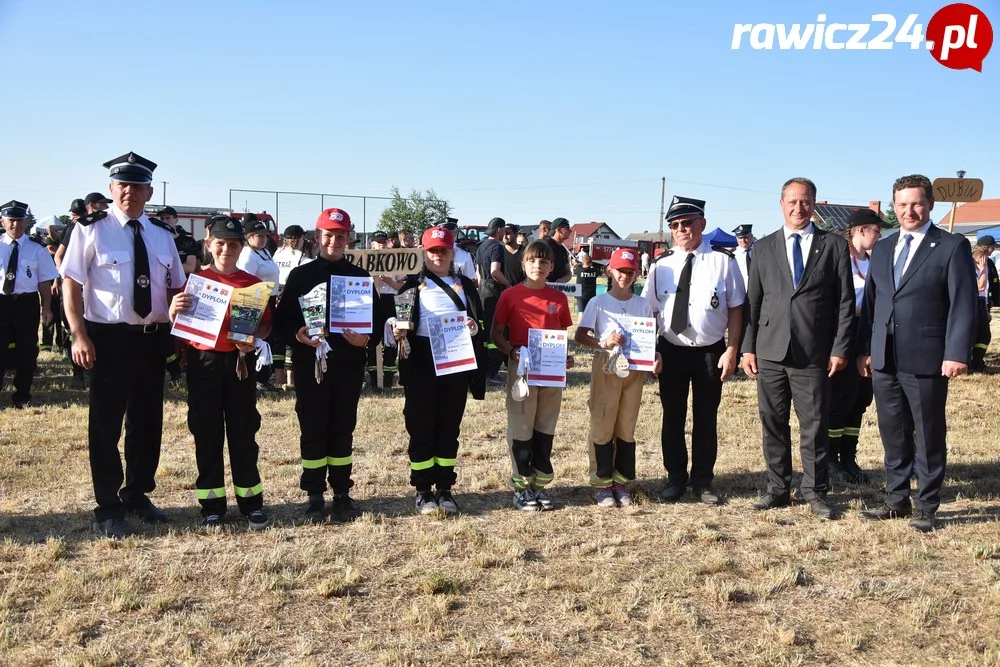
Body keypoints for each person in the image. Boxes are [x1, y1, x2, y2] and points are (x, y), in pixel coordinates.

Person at [61, 151, 184, 538]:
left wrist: (183, 327)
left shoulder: (163, 236)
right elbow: (72, 284)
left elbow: (178, 287)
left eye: (138, 185)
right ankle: (108, 505)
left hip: (153, 340)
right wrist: (79, 335)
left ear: (150, 192)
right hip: (109, 339)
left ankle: (137, 494)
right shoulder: (91, 229)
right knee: (106, 425)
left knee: (148, 422)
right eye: (122, 184)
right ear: (112, 189)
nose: (130, 191)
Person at [858, 174, 978, 532]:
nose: (909, 211)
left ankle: (926, 505)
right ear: (893, 207)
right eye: (902, 204)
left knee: (927, 432)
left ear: (930, 205)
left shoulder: (951, 246)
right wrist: (866, 349)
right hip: (884, 357)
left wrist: (956, 352)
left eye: (916, 204)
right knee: (892, 430)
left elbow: (963, 305)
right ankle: (895, 498)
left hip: (927, 356)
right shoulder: (882, 247)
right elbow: (873, 302)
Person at [739, 177, 854, 520]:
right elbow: (752, 303)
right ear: (781, 204)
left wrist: (840, 347)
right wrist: (748, 348)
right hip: (770, 351)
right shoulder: (763, 247)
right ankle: (777, 489)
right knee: (773, 422)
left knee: (814, 425)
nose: (798, 208)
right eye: (792, 201)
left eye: (805, 202)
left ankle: (815, 491)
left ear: (814, 204)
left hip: (814, 352)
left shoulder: (833, 245)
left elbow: (845, 302)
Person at [275, 208, 385, 523]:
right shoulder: (301, 275)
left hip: (349, 365)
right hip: (311, 364)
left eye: (340, 236)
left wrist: (363, 341)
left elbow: (375, 326)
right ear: (317, 237)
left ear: (348, 238)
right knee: (312, 428)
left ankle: (341, 493)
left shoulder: (360, 277)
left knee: (342, 428)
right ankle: (313, 496)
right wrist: (297, 334)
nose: (334, 241)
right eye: (328, 235)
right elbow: (283, 322)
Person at [168, 216, 271, 530]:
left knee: (243, 433)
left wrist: (255, 336)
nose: (227, 250)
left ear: (241, 248)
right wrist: (173, 311)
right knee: (207, 433)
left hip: (240, 365)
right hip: (204, 363)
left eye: (234, 245)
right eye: (221, 244)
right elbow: (177, 330)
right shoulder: (194, 281)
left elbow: (266, 325)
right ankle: (211, 505)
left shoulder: (252, 284)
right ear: (209, 246)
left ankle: (251, 503)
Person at [643, 196, 745, 505]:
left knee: (705, 418)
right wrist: (652, 351)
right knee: (672, 417)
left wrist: (733, 350)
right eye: (675, 225)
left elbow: (737, 309)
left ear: (701, 223)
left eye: (687, 223)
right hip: (671, 351)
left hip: (710, 352)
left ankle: (703, 481)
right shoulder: (660, 265)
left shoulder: (723, 262)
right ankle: (675, 478)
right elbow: (648, 311)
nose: (681, 229)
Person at [393, 227, 487, 514]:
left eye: (443, 250)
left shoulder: (467, 286)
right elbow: (401, 324)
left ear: (452, 252)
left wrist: (473, 327)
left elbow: (479, 324)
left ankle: (445, 487)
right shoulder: (411, 285)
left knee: (449, 427)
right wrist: (397, 331)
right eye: (432, 250)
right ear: (424, 252)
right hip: (422, 361)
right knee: (421, 426)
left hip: (456, 363)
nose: (438, 255)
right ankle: (422, 490)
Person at [492, 241, 574, 511]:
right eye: (532, 261)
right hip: (522, 369)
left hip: (551, 371)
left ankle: (539, 483)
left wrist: (566, 358)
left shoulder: (559, 299)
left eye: (544, 262)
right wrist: (512, 352)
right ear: (523, 264)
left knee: (546, 423)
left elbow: (561, 336)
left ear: (552, 267)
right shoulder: (510, 296)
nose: (538, 266)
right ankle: (521, 485)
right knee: (521, 424)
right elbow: (496, 334)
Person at [575, 248, 660, 507]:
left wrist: (654, 356)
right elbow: (580, 336)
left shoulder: (643, 304)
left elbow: (648, 338)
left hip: (634, 368)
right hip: (606, 366)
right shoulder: (598, 302)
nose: (625, 276)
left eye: (630, 272)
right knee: (602, 422)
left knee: (626, 424)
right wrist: (603, 342)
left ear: (636, 274)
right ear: (610, 271)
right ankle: (601, 483)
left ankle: (621, 481)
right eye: (620, 271)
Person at [827, 209, 882, 484]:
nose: (879, 235)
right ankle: (830, 457)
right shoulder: (840, 259)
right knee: (839, 399)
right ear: (861, 230)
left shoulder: (873, 261)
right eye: (876, 229)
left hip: (868, 334)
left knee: (860, 400)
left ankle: (849, 456)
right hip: (843, 334)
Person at [0, 200, 58, 408]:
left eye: (20, 220)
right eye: (11, 220)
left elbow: (44, 282)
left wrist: (47, 308)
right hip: (1, 303)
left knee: (26, 350)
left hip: (26, 303)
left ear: (26, 222)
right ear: (3, 221)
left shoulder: (37, 249)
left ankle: (22, 394)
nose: (16, 225)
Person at [237, 218, 281, 392]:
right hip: (256, 300)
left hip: (270, 298)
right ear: (248, 237)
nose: (262, 239)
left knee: (266, 338)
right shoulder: (248, 255)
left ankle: (263, 376)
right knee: (258, 337)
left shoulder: (264, 252)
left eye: (264, 235)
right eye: (256, 235)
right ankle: (255, 377)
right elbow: (247, 283)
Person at [273, 224, 314, 389]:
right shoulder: (302, 258)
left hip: (275, 294)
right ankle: (291, 380)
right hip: (293, 295)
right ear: (300, 239)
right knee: (293, 337)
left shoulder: (276, 254)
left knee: (277, 338)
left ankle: (278, 378)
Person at [477, 217, 512, 386]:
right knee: (498, 330)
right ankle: (491, 373)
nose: (505, 232)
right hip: (494, 291)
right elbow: (495, 271)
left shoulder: (481, 246)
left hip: (482, 292)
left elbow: (478, 273)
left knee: (485, 332)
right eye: (504, 229)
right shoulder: (497, 247)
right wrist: (507, 284)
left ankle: (485, 370)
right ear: (499, 230)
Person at [364, 230, 401, 391]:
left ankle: (387, 378)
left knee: (391, 338)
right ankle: (373, 379)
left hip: (389, 300)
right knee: (372, 339)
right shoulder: (365, 261)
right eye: (379, 242)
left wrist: (387, 280)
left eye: (384, 241)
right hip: (371, 300)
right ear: (372, 244)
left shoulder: (395, 261)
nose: (382, 244)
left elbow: (402, 285)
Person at [971, 241, 995, 373]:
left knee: (985, 335)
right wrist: (981, 270)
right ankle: (969, 362)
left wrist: (986, 309)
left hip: (982, 303)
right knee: (972, 335)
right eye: (983, 257)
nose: (985, 259)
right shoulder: (969, 269)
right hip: (971, 303)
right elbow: (980, 286)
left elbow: (985, 291)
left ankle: (978, 361)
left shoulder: (986, 268)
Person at [541, 218, 573, 283]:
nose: (570, 231)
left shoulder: (563, 249)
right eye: (567, 228)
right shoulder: (545, 246)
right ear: (559, 230)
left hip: (558, 288)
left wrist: (563, 280)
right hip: (544, 287)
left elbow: (568, 272)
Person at [732, 224, 754, 289]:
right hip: (741, 289)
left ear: (751, 236)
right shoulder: (733, 255)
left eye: (745, 237)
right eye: (740, 238)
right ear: (736, 239)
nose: (743, 240)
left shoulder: (760, 251)